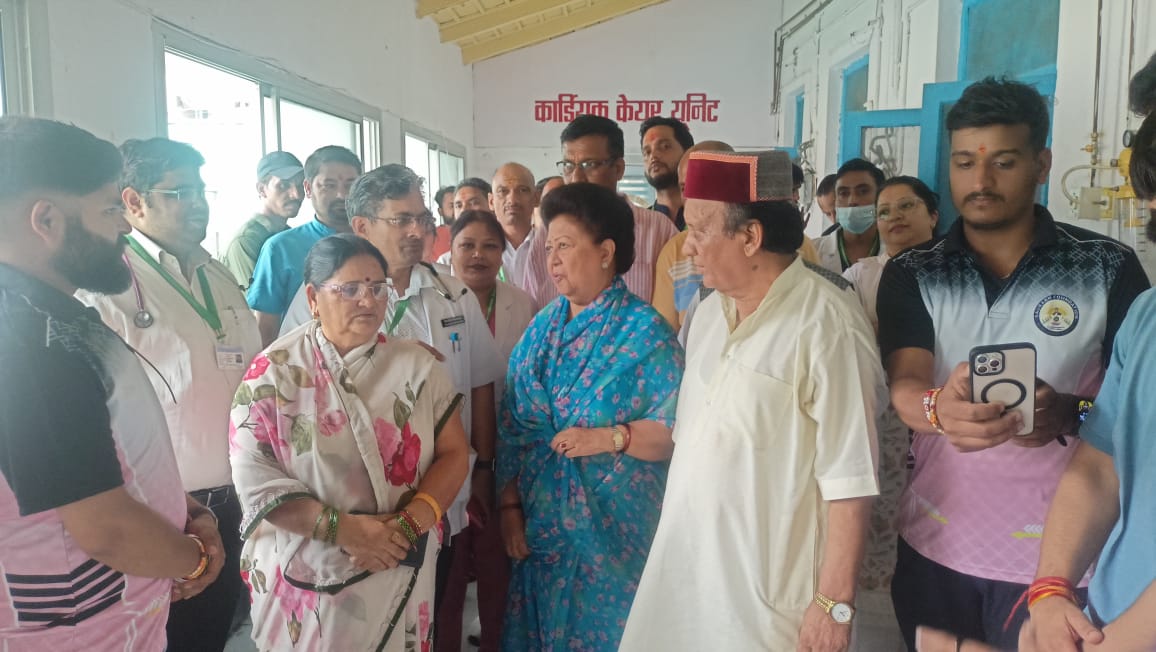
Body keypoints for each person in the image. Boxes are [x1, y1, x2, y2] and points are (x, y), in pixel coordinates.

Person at [875, 77, 1150, 650]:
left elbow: (1130, 416)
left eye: (1002, 162)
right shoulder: (914, 270)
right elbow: (906, 385)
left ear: (1041, 164)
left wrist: (1069, 412)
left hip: (1064, 563)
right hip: (937, 544)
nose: (980, 181)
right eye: (964, 163)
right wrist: (938, 409)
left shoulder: (1106, 266)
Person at [621, 149, 882, 651]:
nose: (687, 245)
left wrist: (833, 605)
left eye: (700, 230)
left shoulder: (827, 323)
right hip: (687, 576)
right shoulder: (709, 312)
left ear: (750, 237)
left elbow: (851, 479)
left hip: (768, 600)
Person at [0, 116, 222, 650]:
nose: (124, 224)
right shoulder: (28, 343)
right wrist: (196, 560)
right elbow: (106, 528)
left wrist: (184, 509)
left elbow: (94, 460)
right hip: (80, 633)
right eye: (108, 210)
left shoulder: (51, 316)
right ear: (46, 219)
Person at [230, 233, 469, 650]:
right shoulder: (273, 375)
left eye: (377, 288)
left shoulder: (416, 365)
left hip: (400, 555)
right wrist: (348, 532)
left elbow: (453, 454)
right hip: (309, 574)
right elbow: (256, 482)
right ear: (313, 297)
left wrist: (407, 525)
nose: (367, 300)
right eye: (350, 289)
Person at [76, 137, 263, 651]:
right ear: (133, 201)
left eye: (201, 190)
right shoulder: (108, 285)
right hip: (164, 512)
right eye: (180, 192)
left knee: (214, 633)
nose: (197, 202)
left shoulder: (216, 274)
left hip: (239, 501)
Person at [497, 182, 683, 651]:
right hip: (541, 528)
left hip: (617, 534)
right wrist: (510, 510)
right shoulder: (541, 328)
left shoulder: (646, 334)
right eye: (548, 248)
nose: (552, 260)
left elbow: (674, 433)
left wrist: (608, 438)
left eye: (564, 245)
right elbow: (513, 429)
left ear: (605, 252)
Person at [1016, 76, 1156, 652]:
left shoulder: (1104, 267)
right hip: (1109, 615)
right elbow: (1101, 465)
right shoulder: (1147, 317)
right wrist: (1052, 589)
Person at [438, 209, 536, 652]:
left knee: (498, 558)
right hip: (446, 451)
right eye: (467, 245)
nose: (478, 255)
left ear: (502, 254)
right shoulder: (435, 302)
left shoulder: (522, 303)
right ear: (451, 252)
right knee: (452, 565)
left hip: (507, 447)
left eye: (489, 246)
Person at [522, 115, 679, 306]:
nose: (577, 178)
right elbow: (532, 307)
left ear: (618, 168)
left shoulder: (658, 231)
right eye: (569, 166)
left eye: (590, 165)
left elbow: (677, 308)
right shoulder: (546, 236)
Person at [247, 145, 362, 345]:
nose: (341, 195)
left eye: (350, 185)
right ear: (308, 188)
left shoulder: (375, 242)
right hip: (301, 359)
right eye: (329, 185)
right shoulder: (280, 248)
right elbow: (266, 329)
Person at [651, 140, 734, 330]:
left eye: (702, 184)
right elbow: (666, 338)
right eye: (684, 188)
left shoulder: (776, 250)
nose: (691, 196)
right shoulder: (674, 252)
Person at [844, 176, 939, 331]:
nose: (894, 216)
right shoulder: (856, 278)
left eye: (906, 205)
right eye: (884, 212)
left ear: (933, 217)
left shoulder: (961, 271)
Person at [221, 151, 304, 289]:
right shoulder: (245, 242)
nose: (296, 194)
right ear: (261, 189)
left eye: (300, 185)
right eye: (283, 185)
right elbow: (254, 301)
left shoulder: (292, 237)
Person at [815, 159, 884, 273]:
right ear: (836, 201)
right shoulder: (813, 252)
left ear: (880, 196)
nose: (852, 201)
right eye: (844, 193)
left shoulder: (898, 252)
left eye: (863, 191)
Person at [489, 163, 538, 288]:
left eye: (522, 190)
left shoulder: (548, 247)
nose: (512, 200)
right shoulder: (480, 250)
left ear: (536, 198)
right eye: (503, 191)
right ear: (491, 201)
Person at [641, 116, 694, 230]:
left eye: (665, 147)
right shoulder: (638, 225)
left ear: (687, 154)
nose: (653, 156)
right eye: (647, 152)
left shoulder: (708, 220)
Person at [430, 184, 456, 262]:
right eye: (452, 206)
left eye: (460, 205)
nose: (458, 209)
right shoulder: (431, 237)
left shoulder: (477, 233)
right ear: (440, 211)